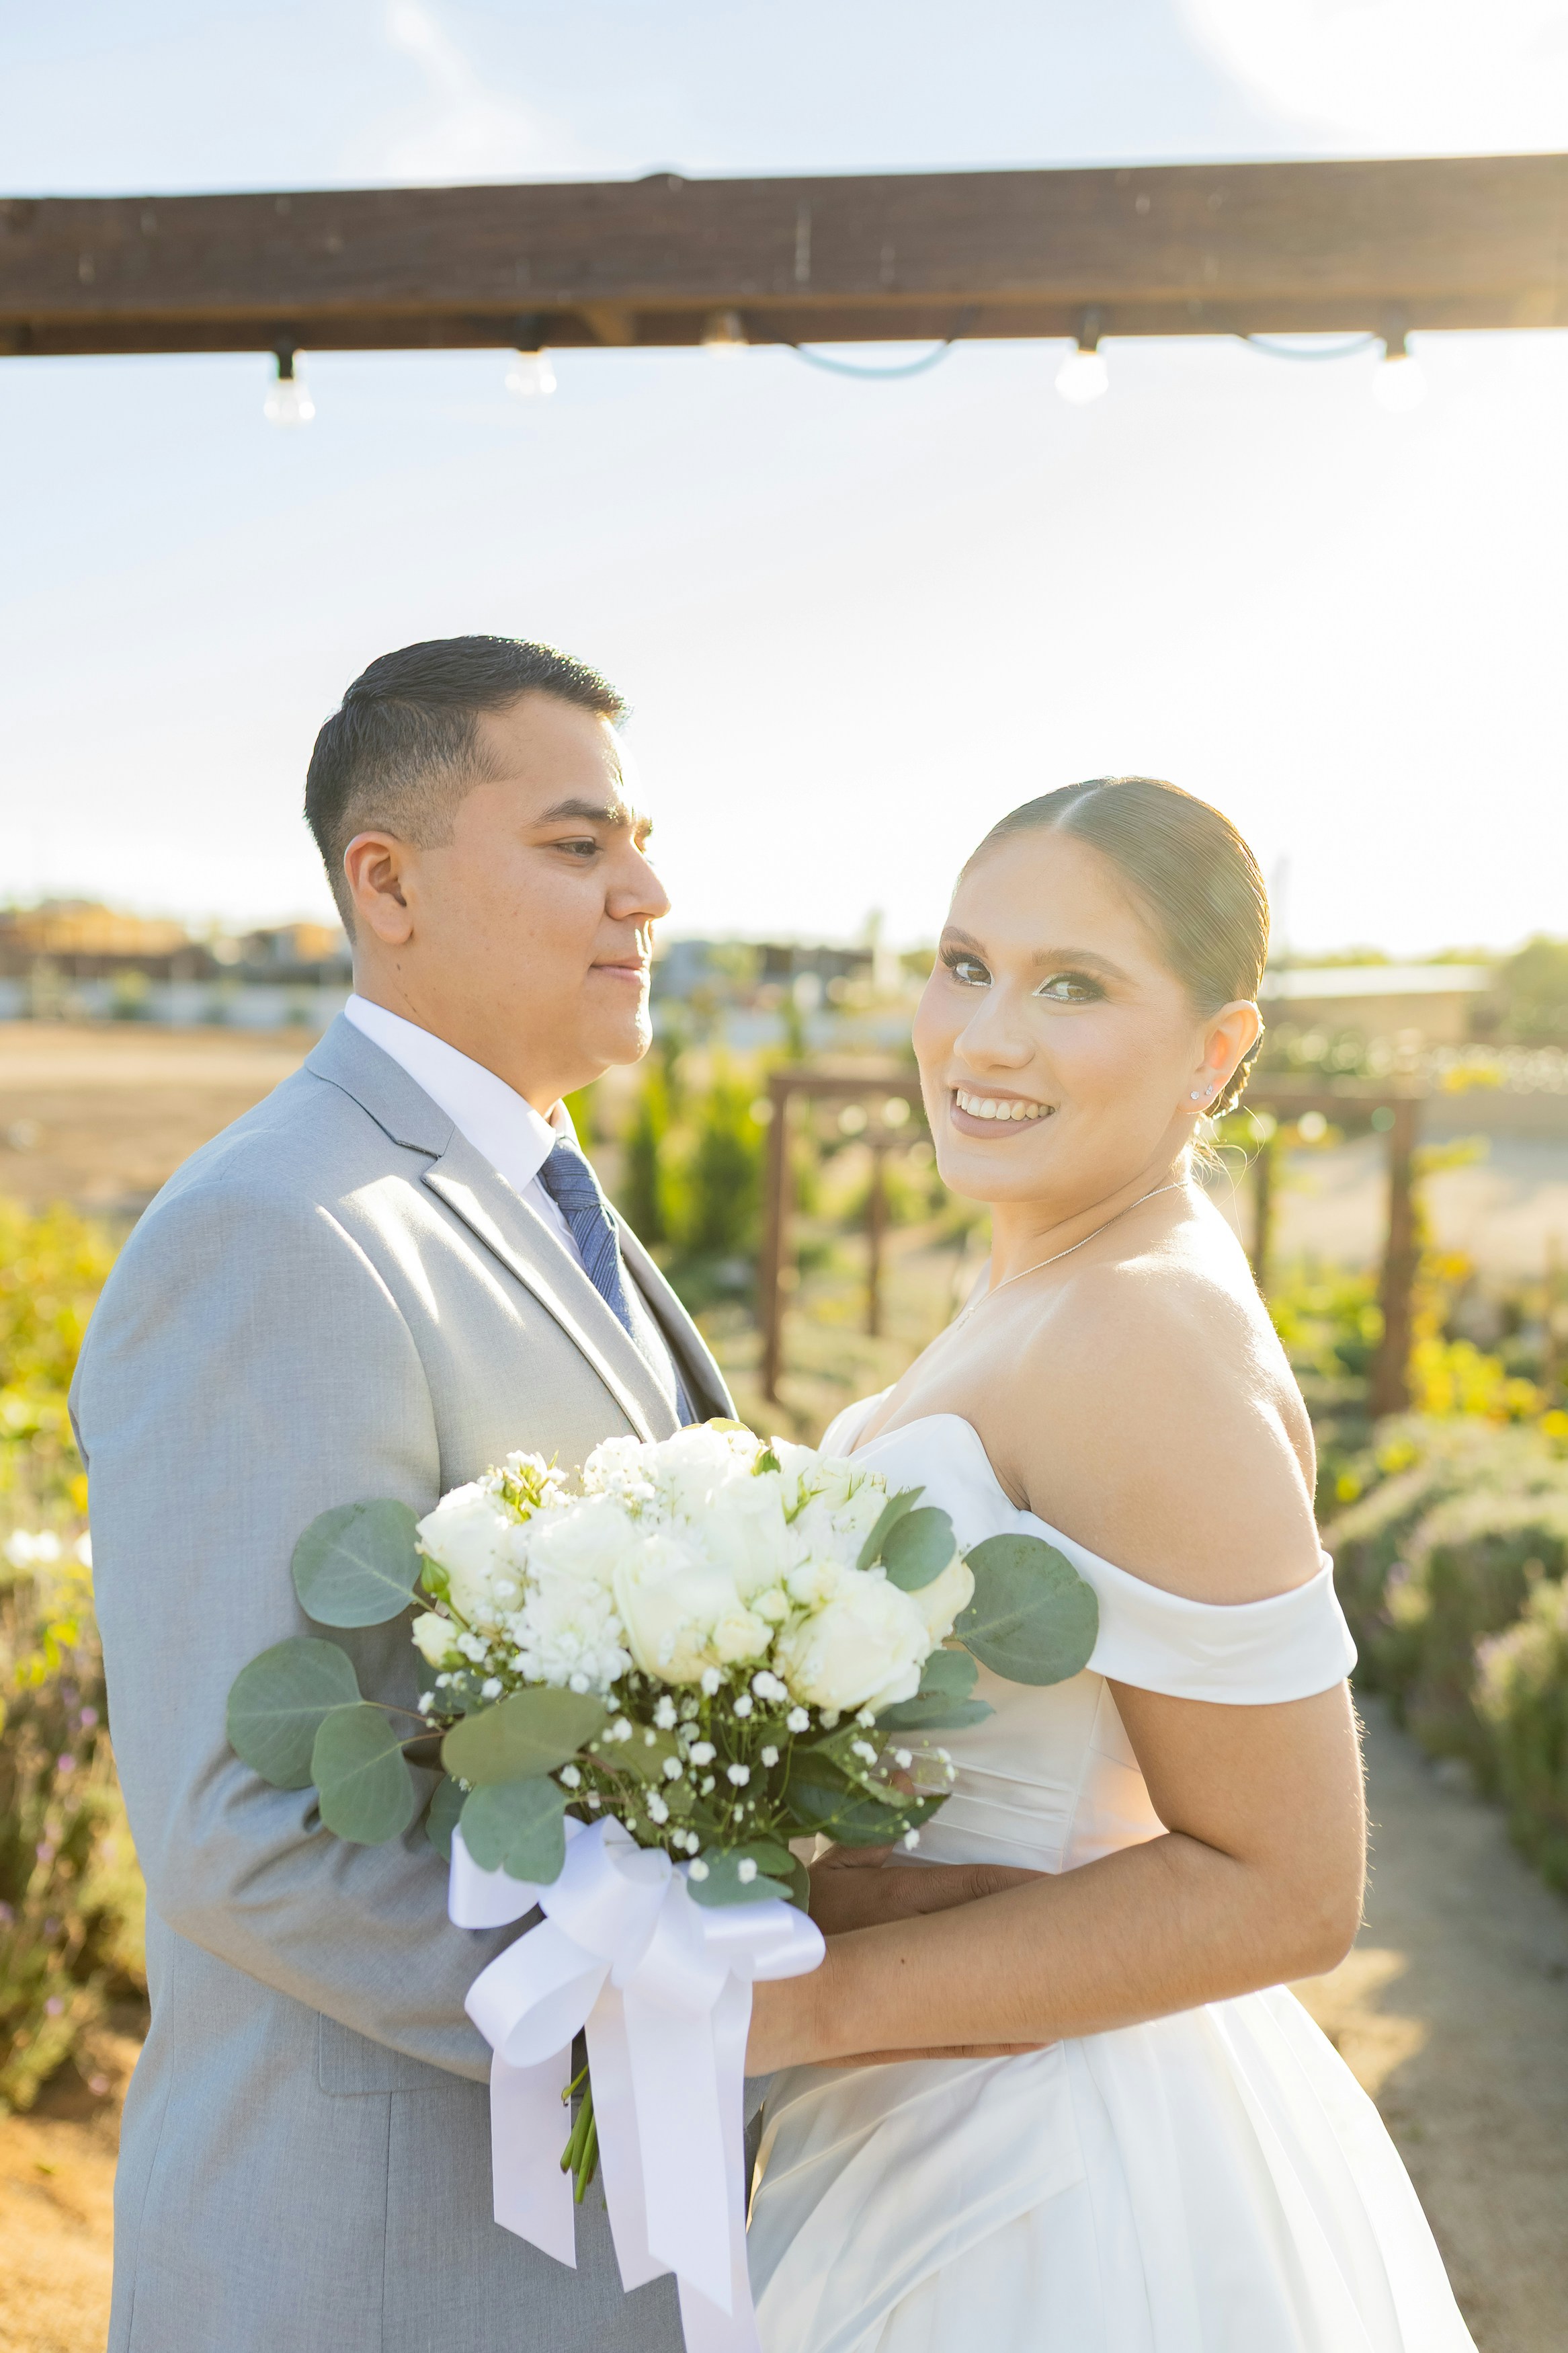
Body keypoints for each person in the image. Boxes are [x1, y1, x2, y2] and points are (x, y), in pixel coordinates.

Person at [71, 636, 744, 2353]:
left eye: (642, 840)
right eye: (580, 845)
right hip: (382, 2267)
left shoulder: (534, 1186)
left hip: (593, 2244)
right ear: (387, 880)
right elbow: (245, 1823)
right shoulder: (281, 1233)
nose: (647, 890)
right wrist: (677, 2017)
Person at [744, 777, 1476, 2351]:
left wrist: (804, 2001)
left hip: (1045, 2170)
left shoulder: (1143, 1321)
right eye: (965, 962)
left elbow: (1288, 1885)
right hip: (930, 2107)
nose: (986, 1036)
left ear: (1219, 1051)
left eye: (1073, 985)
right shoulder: (1044, 1282)